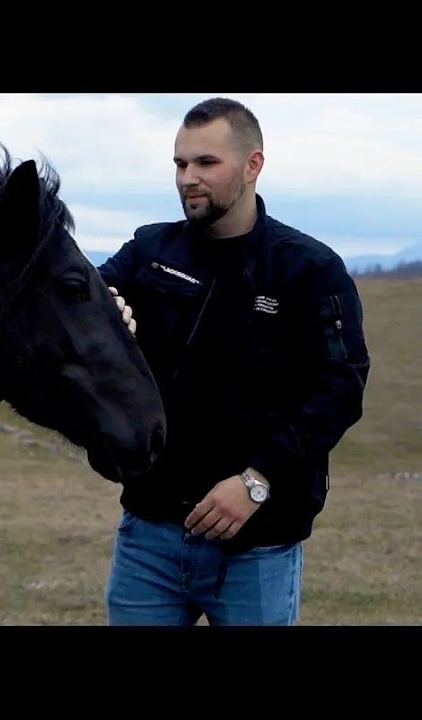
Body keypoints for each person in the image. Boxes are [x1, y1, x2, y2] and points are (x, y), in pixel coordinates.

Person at [97, 97, 371, 626]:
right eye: (180, 163)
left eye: (206, 162)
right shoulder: (150, 250)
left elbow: (340, 389)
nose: (188, 178)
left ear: (252, 165)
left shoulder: (309, 270)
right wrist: (108, 306)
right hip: (148, 537)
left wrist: (257, 480)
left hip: (257, 548)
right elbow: (86, 301)